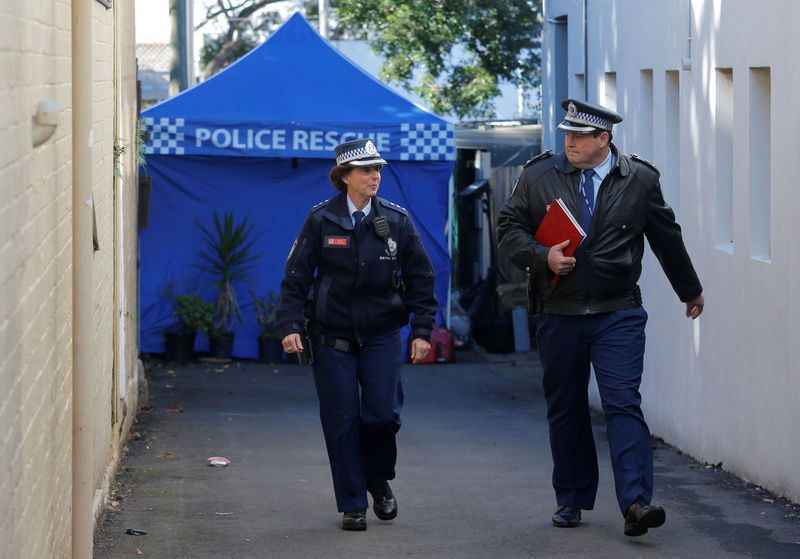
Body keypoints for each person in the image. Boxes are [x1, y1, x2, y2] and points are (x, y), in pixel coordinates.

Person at [496, 99, 705, 537]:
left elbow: (666, 237)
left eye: (578, 136)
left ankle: (636, 503)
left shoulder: (640, 179)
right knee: (567, 407)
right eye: (566, 135)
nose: (568, 143)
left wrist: (689, 289)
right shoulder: (538, 175)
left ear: (603, 139)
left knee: (622, 402)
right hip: (559, 310)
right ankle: (571, 498)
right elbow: (508, 229)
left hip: (619, 311)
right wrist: (542, 257)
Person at [276, 138, 438, 531]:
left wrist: (421, 330)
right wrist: (290, 324)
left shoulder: (396, 220)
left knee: (382, 416)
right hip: (331, 335)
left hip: (382, 333)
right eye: (366, 170)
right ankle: (353, 504)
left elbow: (421, 277)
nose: (375, 176)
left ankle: (377, 479)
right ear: (344, 176)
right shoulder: (320, 219)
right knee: (342, 419)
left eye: (378, 169)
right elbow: (296, 276)